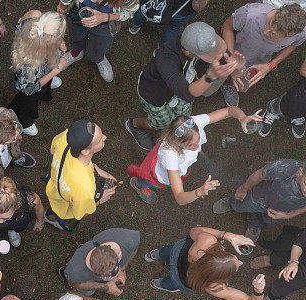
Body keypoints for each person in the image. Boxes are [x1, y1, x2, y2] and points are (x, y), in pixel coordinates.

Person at [125, 22, 243, 150]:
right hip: (156, 93)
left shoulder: (202, 40)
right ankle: (135, 125)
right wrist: (210, 76)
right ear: (188, 51)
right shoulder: (166, 58)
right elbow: (187, 93)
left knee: (184, 116)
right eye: (208, 56)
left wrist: (238, 66)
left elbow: (230, 62)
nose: (215, 56)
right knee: (162, 123)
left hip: (187, 88)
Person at [127, 108, 260, 206]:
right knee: (151, 182)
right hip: (158, 176)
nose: (197, 146)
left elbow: (229, 111)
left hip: (175, 168)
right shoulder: (170, 156)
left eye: (198, 140)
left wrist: (242, 118)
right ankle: (138, 184)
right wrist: (199, 192)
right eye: (191, 145)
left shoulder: (195, 122)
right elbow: (179, 198)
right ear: (177, 143)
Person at [145, 225, 267, 300]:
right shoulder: (215, 287)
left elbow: (194, 231)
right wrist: (258, 290)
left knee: (167, 251)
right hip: (181, 280)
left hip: (178, 253)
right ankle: (157, 284)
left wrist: (226, 235)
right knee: (171, 283)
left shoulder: (207, 242)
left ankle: (154, 255)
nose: (241, 262)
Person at [219, 3, 306, 107]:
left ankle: (228, 84)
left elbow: (293, 45)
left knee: (241, 82)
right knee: (215, 74)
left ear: (290, 35)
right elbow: (227, 27)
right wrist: (231, 58)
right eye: (269, 23)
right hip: (231, 53)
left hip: (256, 63)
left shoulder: (301, 34)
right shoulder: (249, 14)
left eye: (273, 34)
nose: (265, 32)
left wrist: (271, 65)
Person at [44, 120, 116, 231]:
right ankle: (50, 219)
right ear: (85, 152)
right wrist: (101, 199)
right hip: (64, 206)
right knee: (58, 215)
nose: (105, 137)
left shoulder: (64, 137)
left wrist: (96, 168)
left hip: (53, 184)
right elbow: (81, 213)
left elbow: (54, 151)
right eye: (99, 139)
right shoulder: (84, 187)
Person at [212, 158, 306, 241]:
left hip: (280, 211)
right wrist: (243, 189)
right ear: (301, 172)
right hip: (257, 198)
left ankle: (254, 224)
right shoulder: (283, 168)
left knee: (265, 219)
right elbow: (259, 175)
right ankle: (231, 203)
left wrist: (288, 215)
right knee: (241, 204)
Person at [9, 11, 66, 134]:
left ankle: (46, 90)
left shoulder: (36, 17)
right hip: (31, 85)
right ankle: (24, 121)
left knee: (45, 87)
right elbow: (28, 89)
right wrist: (55, 71)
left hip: (45, 67)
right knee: (28, 100)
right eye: (60, 37)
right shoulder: (29, 65)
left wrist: (59, 42)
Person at [58, 0, 138, 83]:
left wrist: (104, 17)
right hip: (77, 13)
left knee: (100, 44)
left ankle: (98, 58)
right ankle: (76, 53)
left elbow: (130, 10)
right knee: (76, 37)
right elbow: (64, 3)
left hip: (106, 24)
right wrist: (61, 19)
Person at [61, 227, 140, 296]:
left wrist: (123, 270)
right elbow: (73, 283)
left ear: (118, 255)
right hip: (76, 276)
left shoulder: (130, 239)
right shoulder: (75, 271)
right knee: (88, 293)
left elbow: (134, 249)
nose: (115, 279)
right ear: (94, 273)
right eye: (109, 278)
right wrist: (106, 287)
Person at [0, 177, 44, 251]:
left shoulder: (29, 200)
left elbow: (39, 208)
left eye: (6, 218)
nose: (1, 221)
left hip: (17, 221)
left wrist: (40, 222)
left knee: (17, 225)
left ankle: (12, 230)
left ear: (16, 207)